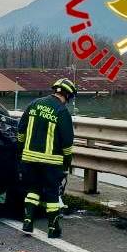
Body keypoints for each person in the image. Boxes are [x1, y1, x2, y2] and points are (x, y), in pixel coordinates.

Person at [17, 78, 75, 238]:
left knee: (33, 190)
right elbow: (67, 144)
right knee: (51, 193)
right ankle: (53, 228)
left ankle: (27, 222)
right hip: (51, 162)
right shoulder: (62, 111)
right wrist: (66, 164)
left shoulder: (34, 104)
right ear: (68, 96)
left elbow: (20, 130)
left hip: (29, 158)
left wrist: (21, 150)